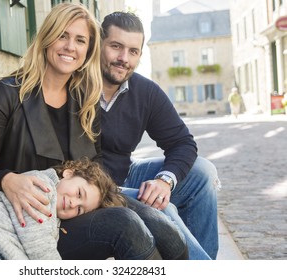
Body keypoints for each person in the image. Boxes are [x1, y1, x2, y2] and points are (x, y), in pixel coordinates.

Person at [0, 3, 187, 260]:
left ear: (88, 50)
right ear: (47, 37)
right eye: (63, 35)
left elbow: (95, 163)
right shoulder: (5, 94)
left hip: (77, 206)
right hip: (30, 217)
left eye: (80, 40)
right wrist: (8, 180)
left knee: (163, 227)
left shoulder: (84, 98)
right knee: (125, 225)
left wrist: (100, 195)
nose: (71, 47)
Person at [95, 11, 221, 259]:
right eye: (116, 47)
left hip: (125, 174)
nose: (124, 58)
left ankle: (206, 258)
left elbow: (182, 143)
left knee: (203, 173)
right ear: (99, 45)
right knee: (162, 209)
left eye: (133, 51)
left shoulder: (145, 91)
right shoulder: (76, 85)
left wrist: (165, 180)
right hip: (91, 187)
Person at [0, 158, 145, 260]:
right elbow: (38, 246)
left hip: (3, 254)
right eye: (79, 194)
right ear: (68, 173)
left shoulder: (55, 216)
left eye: (80, 210)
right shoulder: (40, 186)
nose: (74, 203)